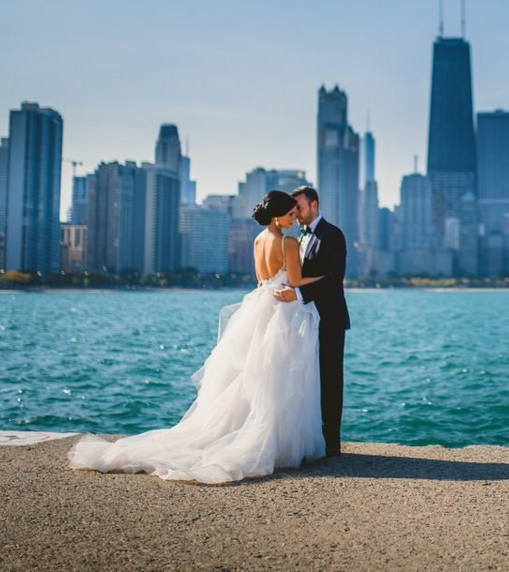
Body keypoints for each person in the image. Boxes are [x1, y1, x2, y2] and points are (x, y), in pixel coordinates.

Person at [68, 191, 326, 484]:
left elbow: (261, 280)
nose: (295, 219)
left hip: (258, 305)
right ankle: (274, 439)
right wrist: (327, 278)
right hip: (280, 311)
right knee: (276, 376)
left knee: (252, 376)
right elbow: (295, 280)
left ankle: (253, 431)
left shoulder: (257, 240)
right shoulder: (288, 242)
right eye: (291, 214)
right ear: (278, 215)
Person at [273, 186, 348, 457]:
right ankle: (312, 440)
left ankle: (332, 444)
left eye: (300, 208)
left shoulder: (333, 235)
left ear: (314, 204)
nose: (296, 213)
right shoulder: (298, 237)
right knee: (308, 380)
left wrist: (298, 293)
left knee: (329, 380)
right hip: (304, 319)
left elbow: (334, 278)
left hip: (330, 318)